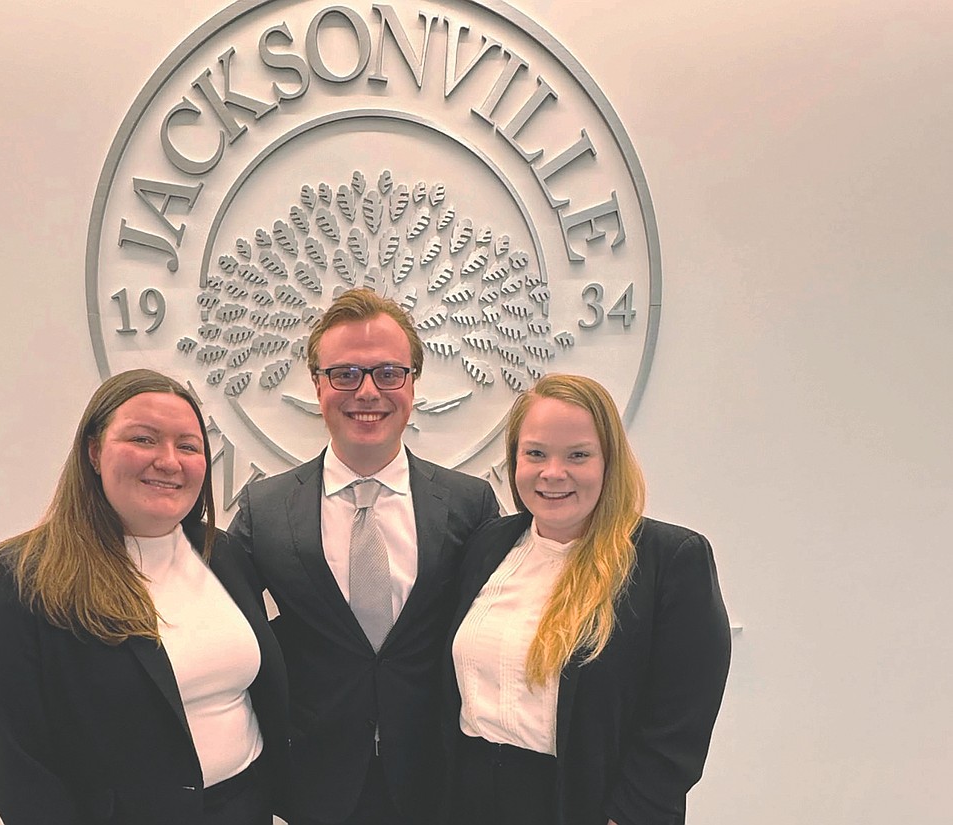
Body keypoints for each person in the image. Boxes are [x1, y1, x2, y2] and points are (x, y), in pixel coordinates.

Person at [0, 369, 288, 825]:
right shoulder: (21, 581)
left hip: (245, 807)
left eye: (188, 445)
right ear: (94, 452)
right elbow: (16, 766)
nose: (168, 461)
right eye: (143, 439)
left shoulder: (223, 553)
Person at [229, 288, 500, 825]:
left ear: (413, 382)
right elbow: (225, 624)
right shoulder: (264, 507)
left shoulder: (471, 505)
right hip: (311, 787)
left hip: (439, 782)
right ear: (317, 384)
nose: (368, 391)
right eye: (345, 374)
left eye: (388, 373)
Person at [444, 374, 731, 825]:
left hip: (586, 805)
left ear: (608, 460)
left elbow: (679, 725)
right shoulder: (488, 544)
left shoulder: (669, 560)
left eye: (577, 455)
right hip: (473, 797)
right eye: (535, 453)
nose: (552, 473)